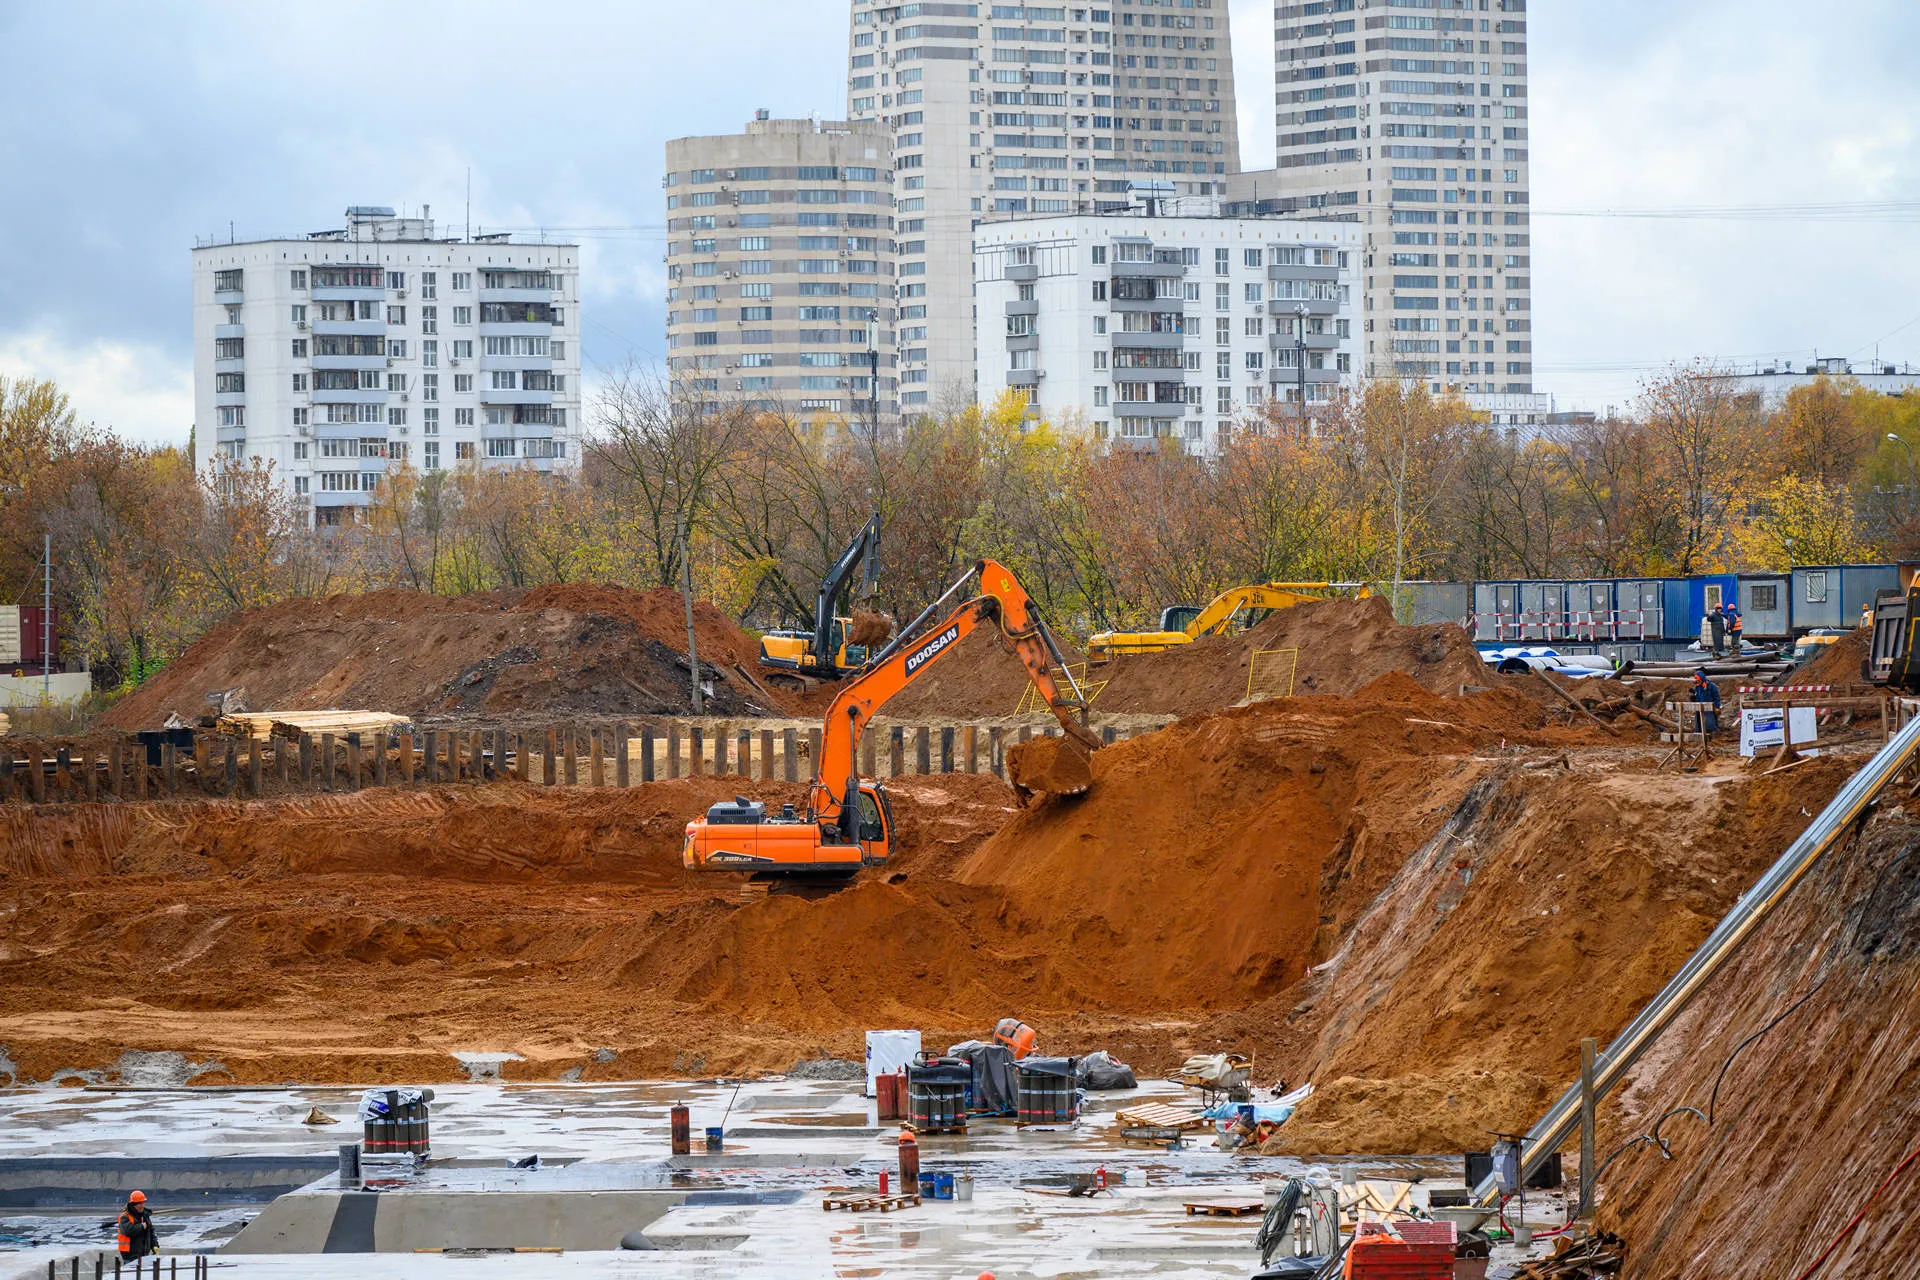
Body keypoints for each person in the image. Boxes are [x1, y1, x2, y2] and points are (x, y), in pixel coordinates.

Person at [117, 1190, 157, 1261]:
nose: (142, 1205)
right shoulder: (124, 1216)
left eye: (143, 1203)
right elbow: (128, 1230)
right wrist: (142, 1226)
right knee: (131, 1271)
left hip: (144, 1254)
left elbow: (151, 1231)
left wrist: (154, 1245)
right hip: (130, 1255)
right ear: (133, 1204)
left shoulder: (144, 1215)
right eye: (140, 1203)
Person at [1690, 669, 1722, 737]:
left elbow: (1717, 697)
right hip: (1699, 707)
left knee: (1710, 722)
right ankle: (1699, 733)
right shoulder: (1697, 687)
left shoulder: (1711, 686)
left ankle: (1712, 733)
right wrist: (1694, 699)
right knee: (1699, 722)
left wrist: (1717, 707)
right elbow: (1697, 697)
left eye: (1697, 678)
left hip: (1709, 708)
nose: (1696, 680)